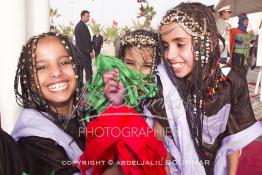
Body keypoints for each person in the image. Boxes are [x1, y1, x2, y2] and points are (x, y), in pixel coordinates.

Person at [104, 3, 262, 175]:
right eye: (165, 46)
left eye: (180, 44)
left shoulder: (231, 81)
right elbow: (145, 129)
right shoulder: (162, 82)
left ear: (206, 43)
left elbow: (233, 142)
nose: (169, 55)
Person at [80, 30, 168, 175]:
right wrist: (117, 107)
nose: (137, 72)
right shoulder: (105, 98)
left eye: (146, 66)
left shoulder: (161, 106)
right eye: (129, 63)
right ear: (120, 63)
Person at [12, 32, 86, 175]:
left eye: (64, 62)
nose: (56, 72)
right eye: (42, 67)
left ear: (76, 67)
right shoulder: (33, 142)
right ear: (31, 82)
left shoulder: (89, 114)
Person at [74, 10, 94, 83]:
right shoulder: (82, 26)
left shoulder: (78, 25)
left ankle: (80, 88)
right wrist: (90, 51)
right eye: (87, 16)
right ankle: (89, 88)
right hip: (84, 53)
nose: (89, 18)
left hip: (79, 53)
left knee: (80, 72)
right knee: (89, 72)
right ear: (82, 16)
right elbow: (86, 40)